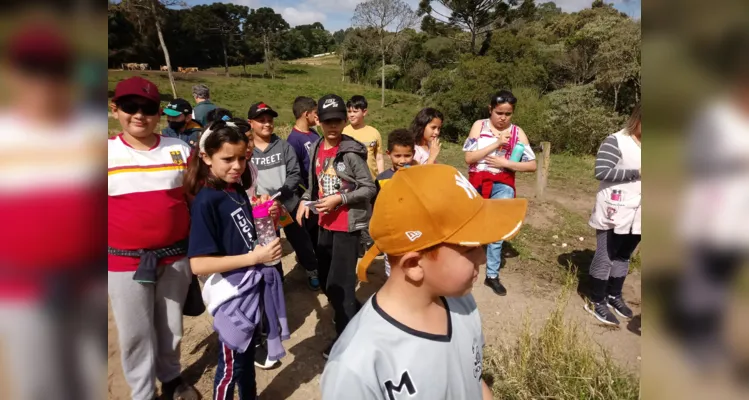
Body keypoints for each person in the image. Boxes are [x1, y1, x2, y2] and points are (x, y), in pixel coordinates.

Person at [322, 164, 528, 400]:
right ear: (413, 265)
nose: (483, 257)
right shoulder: (357, 367)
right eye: (471, 248)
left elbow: (473, 379)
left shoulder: (462, 302)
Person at [108, 76, 198, 400]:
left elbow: (195, 200)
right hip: (123, 261)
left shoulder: (180, 149)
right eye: (130, 107)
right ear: (114, 108)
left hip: (175, 256)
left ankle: (171, 377)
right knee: (135, 331)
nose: (139, 115)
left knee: (171, 325)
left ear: (158, 113)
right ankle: (143, 392)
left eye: (147, 108)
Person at [184, 118, 287, 400]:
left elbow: (246, 234)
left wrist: (268, 216)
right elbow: (199, 264)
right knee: (230, 366)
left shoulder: (236, 190)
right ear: (206, 157)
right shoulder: (207, 201)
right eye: (227, 159)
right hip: (232, 296)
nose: (237, 166)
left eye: (242, 158)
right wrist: (254, 257)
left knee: (244, 360)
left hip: (249, 290)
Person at [296, 94, 376, 358]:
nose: (332, 126)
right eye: (327, 121)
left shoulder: (351, 153)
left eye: (337, 121)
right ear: (318, 121)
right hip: (324, 224)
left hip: (346, 228)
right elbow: (315, 181)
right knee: (328, 282)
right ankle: (355, 314)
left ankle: (345, 340)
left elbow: (368, 188)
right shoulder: (317, 146)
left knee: (341, 286)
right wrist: (306, 200)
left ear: (344, 121)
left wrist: (339, 199)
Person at [463, 90, 537, 296]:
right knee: (471, 224)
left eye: (508, 114)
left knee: (498, 228)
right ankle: (464, 267)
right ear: (490, 109)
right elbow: (469, 158)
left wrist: (506, 163)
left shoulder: (518, 133)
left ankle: (492, 275)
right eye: (499, 113)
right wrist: (496, 144)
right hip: (477, 182)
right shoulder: (479, 126)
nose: (503, 118)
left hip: (503, 184)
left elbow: (532, 165)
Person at [248, 102, 321, 291]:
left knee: (300, 239)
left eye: (269, 120)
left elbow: (294, 173)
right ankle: (277, 278)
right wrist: (258, 199)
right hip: (262, 208)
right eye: (261, 120)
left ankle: (312, 269)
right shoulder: (246, 151)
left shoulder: (283, 146)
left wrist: (280, 195)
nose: (266, 124)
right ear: (251, 123)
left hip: (287, 202)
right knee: (270, 243)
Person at [586, 104, 641, 326]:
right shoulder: (616, 141)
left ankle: (613, 295)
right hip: (614, 209)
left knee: (624, 255)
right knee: (605, 255)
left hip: (641, 212)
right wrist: (637, 172)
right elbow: (601, 170)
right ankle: (596, 299)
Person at [343, 95, 382, 255]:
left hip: (372, 182)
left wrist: (380, 177)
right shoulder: (344, 132)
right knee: (355, 214)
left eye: (355, 111)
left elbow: (378, 157)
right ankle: (358, 244)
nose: (351, 115)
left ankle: (371, 241)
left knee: (371, 213)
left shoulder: (374, 133)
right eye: (349, 111)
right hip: (351, 184)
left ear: (364, 112)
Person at [374, 128, 416, 277]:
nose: (402, 160)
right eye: (397, 155)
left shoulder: (419, 176)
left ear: (414, 154)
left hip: (415, 234)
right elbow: (378, 209)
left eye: (407, 155)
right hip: (392, 235)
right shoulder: (381, 179)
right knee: (392, 271)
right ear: (388, 154)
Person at [287, 96, 322, 248]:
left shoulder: (314, 133)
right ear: (306, 114)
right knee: (311, 228)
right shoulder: (293, 140)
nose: (318, 116)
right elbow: (295, 171)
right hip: (307, 191)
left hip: (320, 189)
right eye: (315, 112)